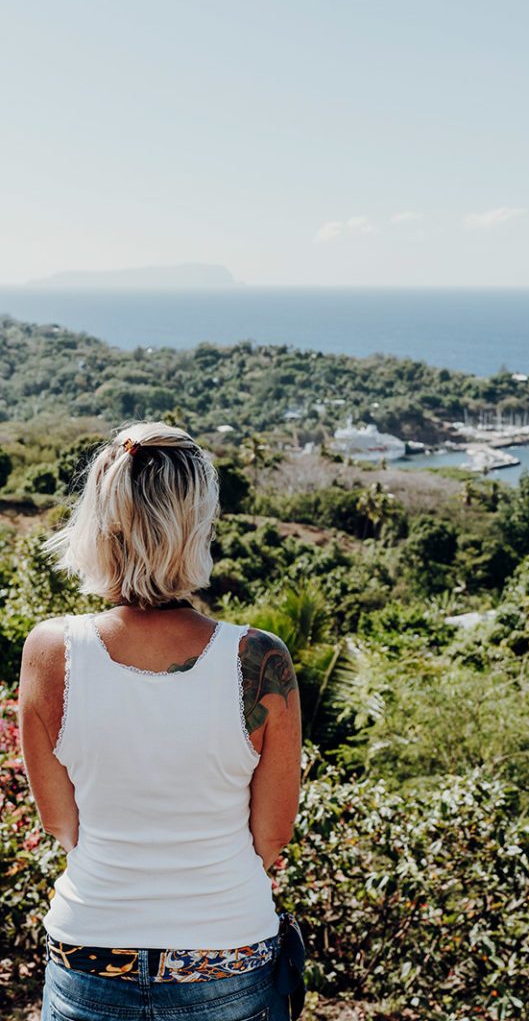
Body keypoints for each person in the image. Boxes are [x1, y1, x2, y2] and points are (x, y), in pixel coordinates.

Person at [18, 420, 305, 1021]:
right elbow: (272, 836)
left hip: (91, 950)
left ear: (100, 522)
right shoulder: (259, 659)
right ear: (198, 524)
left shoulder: (50, 651)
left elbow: (60, 823)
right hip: (227, 954)